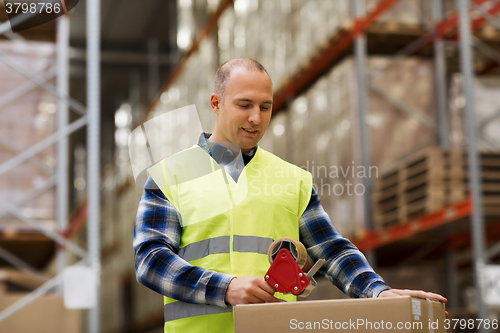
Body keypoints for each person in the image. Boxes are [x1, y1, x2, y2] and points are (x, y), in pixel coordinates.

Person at [133, 58, 447, 332]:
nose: (256, 117)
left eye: (265, 106)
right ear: (216, 103)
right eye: (244, 105)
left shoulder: (292, 179)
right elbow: (151, 260)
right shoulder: (170, 175)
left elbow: (331, 250)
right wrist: (225, 288)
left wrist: (377, 292)